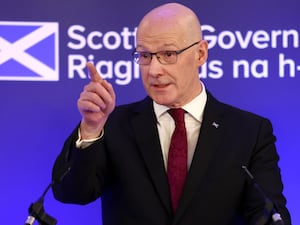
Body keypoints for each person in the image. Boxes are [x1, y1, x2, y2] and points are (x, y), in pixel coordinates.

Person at [52, 2, 291, 225]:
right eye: (145, 56)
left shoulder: (249, 132)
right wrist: (92, 129)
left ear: (201, 54)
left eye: (168, 54)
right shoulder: (112, 125)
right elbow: (71, 193)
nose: (154, 70)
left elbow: (270, 213)